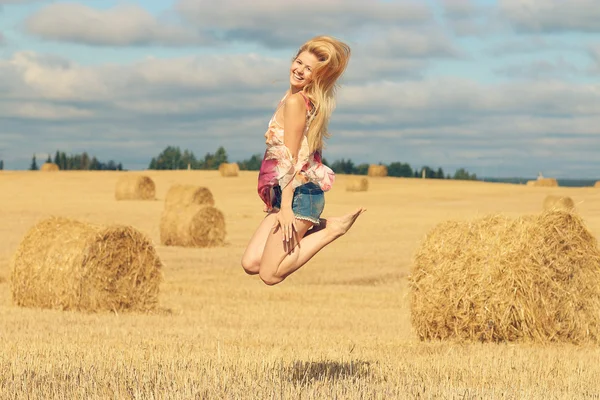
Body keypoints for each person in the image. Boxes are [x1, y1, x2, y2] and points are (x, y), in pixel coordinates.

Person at [241, 35, 366, 286]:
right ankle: (319, 223)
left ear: (316, 77)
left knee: (270, 274)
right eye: (299, 62)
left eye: (309, 69)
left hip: (298, 197)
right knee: (251, 263)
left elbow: (290, 159)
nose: (299, 70)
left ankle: (330, 230)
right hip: (287, 194)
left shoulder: (297, 102)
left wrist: (286, 208)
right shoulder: (293, 99)